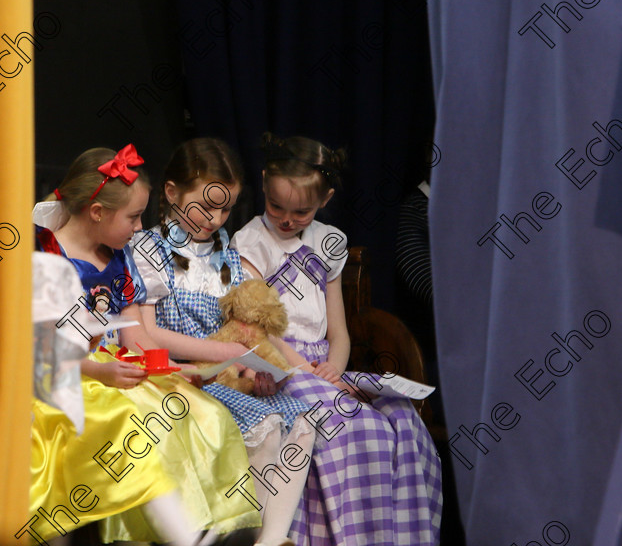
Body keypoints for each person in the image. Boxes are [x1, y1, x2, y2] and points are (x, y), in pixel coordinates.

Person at [31, 144, 261, 544]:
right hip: (65, 374)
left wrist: (177, 369)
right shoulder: (48, 259)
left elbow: (135, 336)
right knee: (131, 422)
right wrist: (101, 370)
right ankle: (171, 535)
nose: (139, 228)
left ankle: (213, 521)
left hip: (111, 366)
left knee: (202, 412)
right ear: (98, 213)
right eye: (134, 217)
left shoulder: (118, 258)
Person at [231, 132, 443, 546]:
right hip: (277, 361)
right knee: (360, 430)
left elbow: (339, 331)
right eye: (277, 206)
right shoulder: (251, 243)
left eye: (301, 211)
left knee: (402, 421)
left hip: (325, 366)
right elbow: (261, 329)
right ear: (263, 186)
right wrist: (311, 372)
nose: (287, 219)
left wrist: (337, 368)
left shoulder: (328, 243)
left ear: (325, 199)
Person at [130, 138, 315, 546]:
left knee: (302, 420)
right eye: (206, 205)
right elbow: (150, 334)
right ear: (172, 192)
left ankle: (273, 540)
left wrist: (263, 368)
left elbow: (252, 328)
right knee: (265, 425)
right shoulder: (148, 249)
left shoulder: (226, 254)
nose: (215, 218)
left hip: (231, 372)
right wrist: (226, 354)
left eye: (226, 207)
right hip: (184, 373)